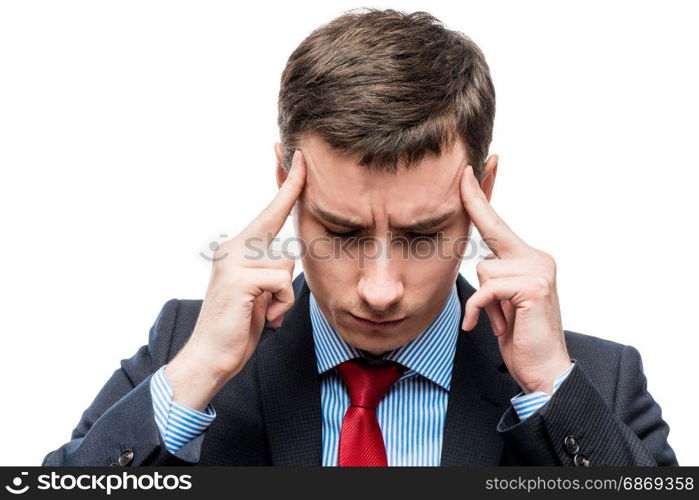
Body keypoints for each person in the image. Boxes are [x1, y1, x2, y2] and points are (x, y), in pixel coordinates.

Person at [43, 8, 677, 467]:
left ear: (483, 187)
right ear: (283, 180)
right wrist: (200, 372)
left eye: (423, 234)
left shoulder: (592, 380)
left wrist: (551, 388)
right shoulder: (186, 347)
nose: (379, 290)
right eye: (342, 232)